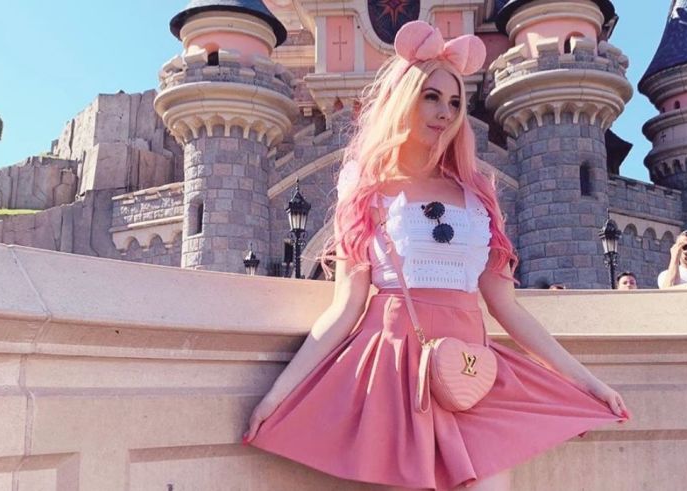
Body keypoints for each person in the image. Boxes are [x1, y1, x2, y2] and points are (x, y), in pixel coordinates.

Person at [242, 21, 628, 491]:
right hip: (394, 368)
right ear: (404, 99)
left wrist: (588, 382)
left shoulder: (478, 193)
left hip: (471, 367)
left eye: (455, 101)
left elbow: (506, 306)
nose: (444, 112)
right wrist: (278, 396)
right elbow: (345, 308)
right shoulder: (367, 192)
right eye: (431, 96)